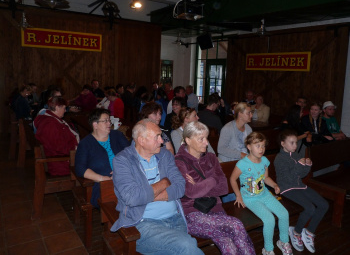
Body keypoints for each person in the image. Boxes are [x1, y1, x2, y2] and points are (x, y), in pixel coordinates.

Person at [111, 119, 203, 255]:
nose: (162, 141)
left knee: (181, 249)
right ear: (141, 140)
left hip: (176, 218)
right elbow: (132, 198)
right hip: (143, 224)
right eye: (157, 137)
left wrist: (146, 195)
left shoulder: (165, 155)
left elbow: (180, 187)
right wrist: (164, 182)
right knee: (187, 246)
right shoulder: (122, 161)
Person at [175, 121, 256, 254]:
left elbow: (223, 188)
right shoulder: (179, 162)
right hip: (193, 214)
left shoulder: (211, 158)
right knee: (236, 225)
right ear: (188, 140)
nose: (206, 143)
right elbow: (190, 192)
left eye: (206, 138)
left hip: (216, 209)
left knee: (228, 243)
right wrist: (212, 180)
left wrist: (200, 185)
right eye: (201, 139)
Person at [230, 132, 292, 255]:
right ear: (248, 146)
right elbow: (232, 179)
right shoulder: (242, 164)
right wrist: (238, 195)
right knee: (269, 220)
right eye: (257, 146)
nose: (261, 149)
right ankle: (268, 249)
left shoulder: (264, 160)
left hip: (265, 194)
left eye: (263, 146)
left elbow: (265, 178)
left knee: (284, 214)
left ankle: (284, 242)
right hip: (250, 199)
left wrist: (274, 185)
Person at [274, 129, 329, 253]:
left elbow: (303, 175)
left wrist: (307, 165)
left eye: (296, 143)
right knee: (310, 208)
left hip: (299, 185)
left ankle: (309, 232)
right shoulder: (279, 159)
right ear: (283, 144)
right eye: (292, 143)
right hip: (287, 188)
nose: (295, 146)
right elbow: (289, 178)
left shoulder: (296, 155)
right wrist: (300, 165)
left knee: (324, 205)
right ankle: (296, 232)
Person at [75, 109, 129, 207]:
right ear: (95, 125)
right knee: (125, 201)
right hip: (103, 185)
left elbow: (131, 154)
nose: (109, 123)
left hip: (125, 178)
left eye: (109, 120)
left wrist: (121, 169)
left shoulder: (117, 135)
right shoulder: (85, 144)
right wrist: (103, 179)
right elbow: (80, 169)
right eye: (105, 121)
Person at [35, 97, 79, 176]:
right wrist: (77, 148)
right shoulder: (50, 124)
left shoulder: (49, 119)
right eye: (64, 108)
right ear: (57, 107)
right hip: (60, 164)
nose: (65, 111)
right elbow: (60, 148)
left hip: (59, 159)